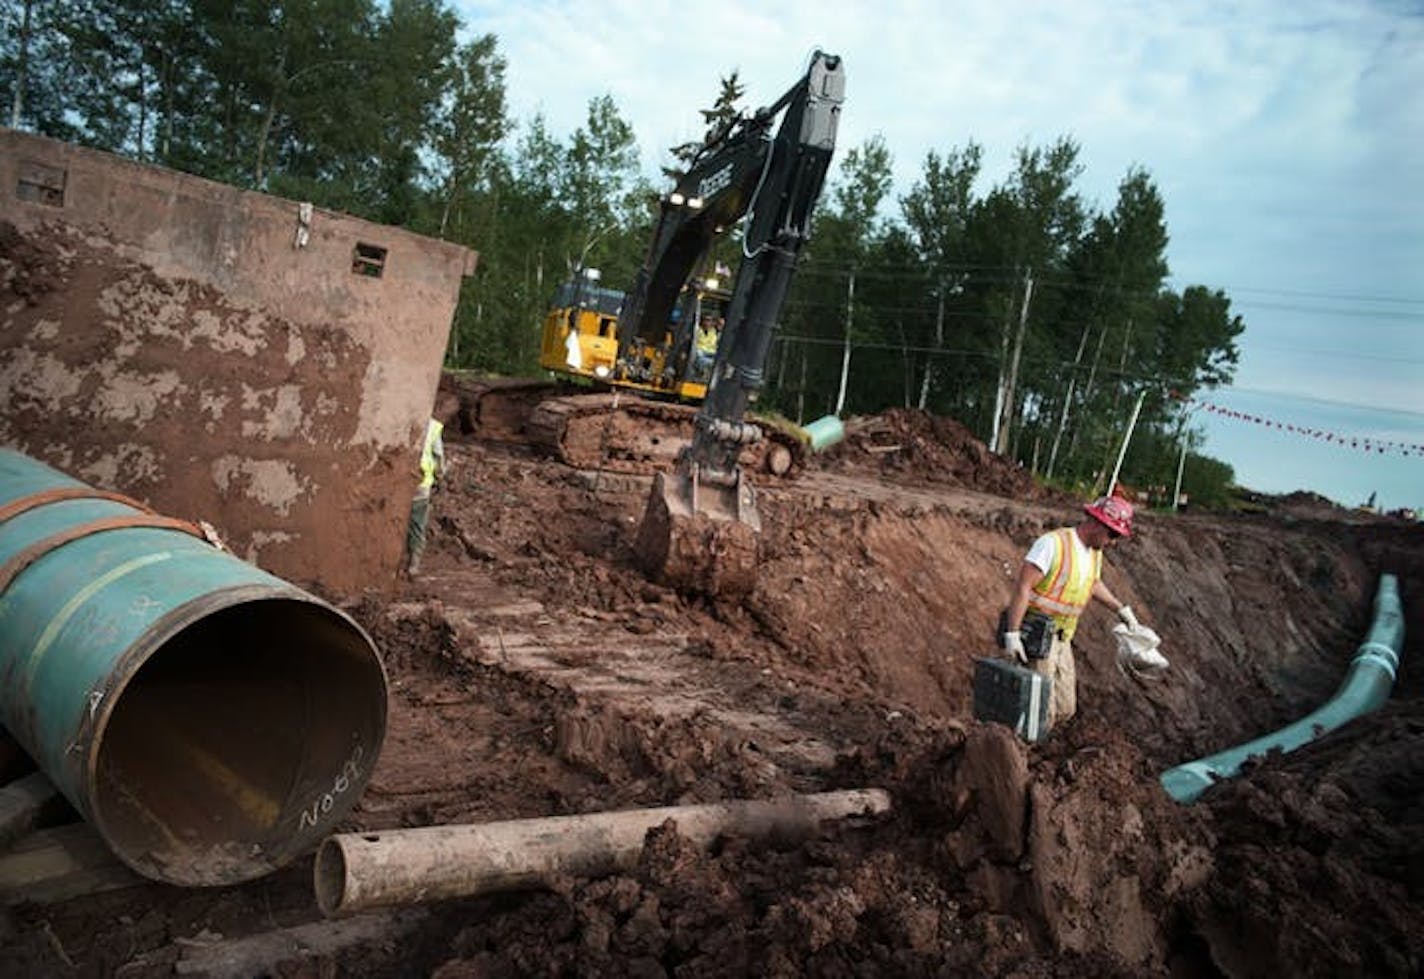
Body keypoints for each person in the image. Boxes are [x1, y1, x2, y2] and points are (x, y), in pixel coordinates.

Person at [1000, 494, 1153, 728]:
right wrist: (1013, 633)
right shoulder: (1053, 544)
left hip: (1063, 638)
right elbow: (1023, 587)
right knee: (1040, 711)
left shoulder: (1094, 553)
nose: (1113, 541)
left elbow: (1093, 583)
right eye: (1112, 534)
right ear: (1097, 524)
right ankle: (1024, 748)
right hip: (1038, 635)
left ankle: (1032, 736)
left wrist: (1121, 609)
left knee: (1065, 707)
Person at [404, 392, 459, 578]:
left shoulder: (407, 420)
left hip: (403, 482)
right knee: (417, 523)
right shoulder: (434, 427)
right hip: (421, 483)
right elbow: (438, 456)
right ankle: (413, 563)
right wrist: (442, 473)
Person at [692, 313, 720, 377]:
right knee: (699, 356)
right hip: (700, 350)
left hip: (711, 352)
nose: (708, 323)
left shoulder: (713, 332)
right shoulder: (697, 330)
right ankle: (701, 372)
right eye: (706, 320)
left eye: (710, 321)